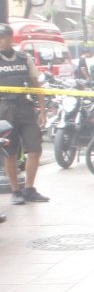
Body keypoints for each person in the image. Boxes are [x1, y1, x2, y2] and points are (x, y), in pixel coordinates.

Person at [0, 24, 48, 205]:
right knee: (9, 152)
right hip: (4, 108)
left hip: (25, 108)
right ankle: (15, 191)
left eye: (2, 37)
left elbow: (36, 84)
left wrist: (42, 110)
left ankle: (29, 188)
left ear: (11, 38)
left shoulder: (24, 58)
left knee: (35, 149)